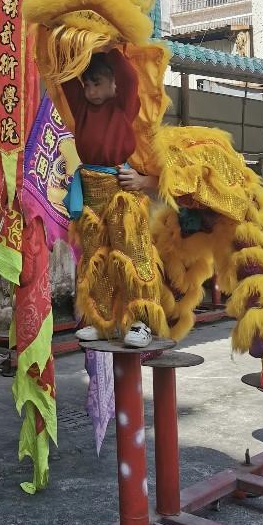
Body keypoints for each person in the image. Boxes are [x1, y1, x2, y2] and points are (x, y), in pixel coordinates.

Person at [62, 48, 166, 347]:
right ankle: (103, 322)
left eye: (97, 83)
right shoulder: (82, 107)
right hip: (90, 190)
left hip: (120, 189)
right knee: (97, 256)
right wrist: (73, 41)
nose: (91, 90)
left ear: (112, 83)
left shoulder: (123, 105)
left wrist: (108, 44)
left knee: (132, 251)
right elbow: (67, 77)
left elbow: (129, 78)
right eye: (88, 85)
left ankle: (142, 321)